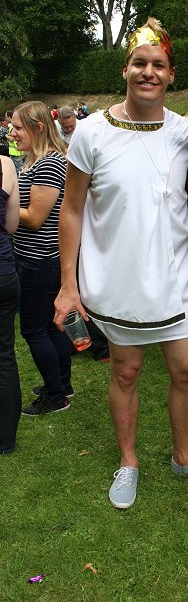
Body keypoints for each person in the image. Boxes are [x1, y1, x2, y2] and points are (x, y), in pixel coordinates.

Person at [54, 17, 188, 510]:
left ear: (172, 76)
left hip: (172, 277)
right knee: (125, 373)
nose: (148, 72)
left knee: (187, 371)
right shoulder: (90, 133)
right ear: (125, 70)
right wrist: (69, 284)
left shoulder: (185, 134)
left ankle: (184, 455)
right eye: (139, 63)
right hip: (117, 278)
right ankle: (128, 461)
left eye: (158, 65)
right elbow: (72, 207)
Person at [11, 101, 73, 416]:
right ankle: (62, 384)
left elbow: (35, 217)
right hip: (38, 258)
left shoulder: (49, 163)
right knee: (51, 327)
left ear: (37, 128)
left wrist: (5, 208)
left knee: (34, 330)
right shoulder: (34, 160)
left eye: (18, 127)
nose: (12, 132)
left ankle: (55, 396)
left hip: (40, 259)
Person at [0, 155, 21, 453]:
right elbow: (12, 224)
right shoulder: (5, 165)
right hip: (3, 272)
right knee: (4, 353)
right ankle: (5, 440)